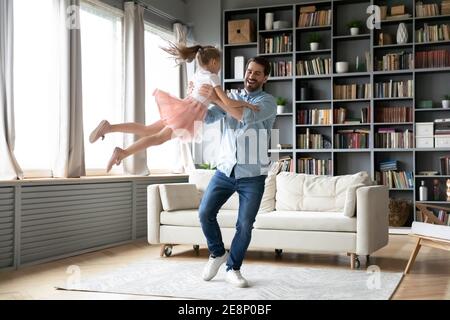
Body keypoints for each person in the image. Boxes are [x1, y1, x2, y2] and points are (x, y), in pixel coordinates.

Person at [89, 43, 258, 172]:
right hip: (189, 113)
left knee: (148, 130)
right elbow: (227, 102)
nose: (219, 67)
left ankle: (109, 127)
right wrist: (245, 103)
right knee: (158, 138)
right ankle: (122, 152)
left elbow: (203, 97)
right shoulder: (213, 77)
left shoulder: (197, 74)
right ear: (213, 62)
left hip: (184, 107)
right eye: (219, 64)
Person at [197, 56, 277, 288]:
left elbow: (244, 116)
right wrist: (198, 99)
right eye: (249, 71)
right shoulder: (230, 97)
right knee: (205, 213)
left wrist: (217, 96)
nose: (251, 76)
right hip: (224, 170)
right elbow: (210, 116)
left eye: (257, 73)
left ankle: (233, 268)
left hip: (252, 176)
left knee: (244, 224)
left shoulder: (267, 101)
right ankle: (217, 253)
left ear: (265, 78)